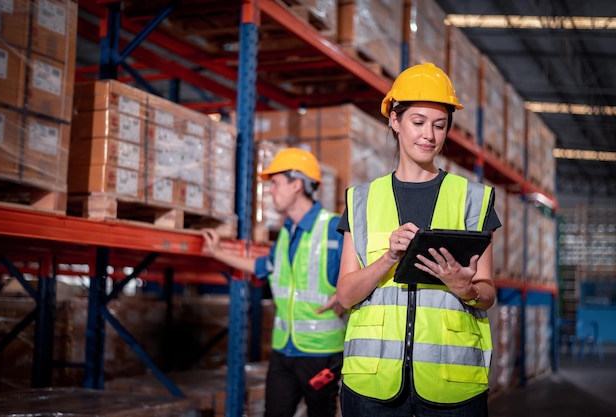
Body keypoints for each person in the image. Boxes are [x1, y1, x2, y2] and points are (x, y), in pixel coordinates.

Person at [335, 62, 501, 417]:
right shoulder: (360, 200)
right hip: (372, 386)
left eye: (440, 125)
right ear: (395, 121)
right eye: (418, 122)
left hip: (451, 387)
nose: (429, 135)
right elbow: (345, 295)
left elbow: (487, 294)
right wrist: (387, 258)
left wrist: (465, 288)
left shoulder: (473, 199)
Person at [200, 147, 346, 417]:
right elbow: (262, 266)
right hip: (283, 352)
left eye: (275, 183)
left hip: (321, 353)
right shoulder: (286, 232)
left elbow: (364, 271)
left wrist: (345, 295)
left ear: (296, 184)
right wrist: (218, 252)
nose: (270, 190)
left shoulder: (333, 227)